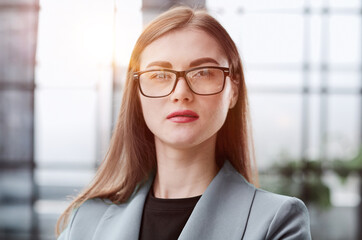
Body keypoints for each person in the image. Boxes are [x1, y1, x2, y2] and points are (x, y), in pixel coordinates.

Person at [56, 6, 311, 240]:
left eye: (202, 73)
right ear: (137, 92)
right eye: (159, 75)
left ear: (232, 90)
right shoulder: (86, 221)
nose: (180, 92)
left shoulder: (276, 221)